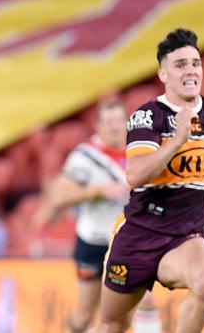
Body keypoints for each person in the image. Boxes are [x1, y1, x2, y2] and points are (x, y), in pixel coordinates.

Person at [96, 28, 204, 332]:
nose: (190, 70)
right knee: (112, 325)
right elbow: (134, 175)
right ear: (163, 73)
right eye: (180, 64)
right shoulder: (147, 116)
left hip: (185, 236)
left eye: (195, 63)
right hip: (139, 235)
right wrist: (176, 141)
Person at [36, 99, 161, 332]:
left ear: (127, 122)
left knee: (145, 302)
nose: (114, 127)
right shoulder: (85, 156)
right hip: (94, 241)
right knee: (85, 315)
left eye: (118, 121)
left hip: (128, 242)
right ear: (98, 125)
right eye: (108, 122)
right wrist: (97, 191)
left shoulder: (142, 150)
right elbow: (58, 198)